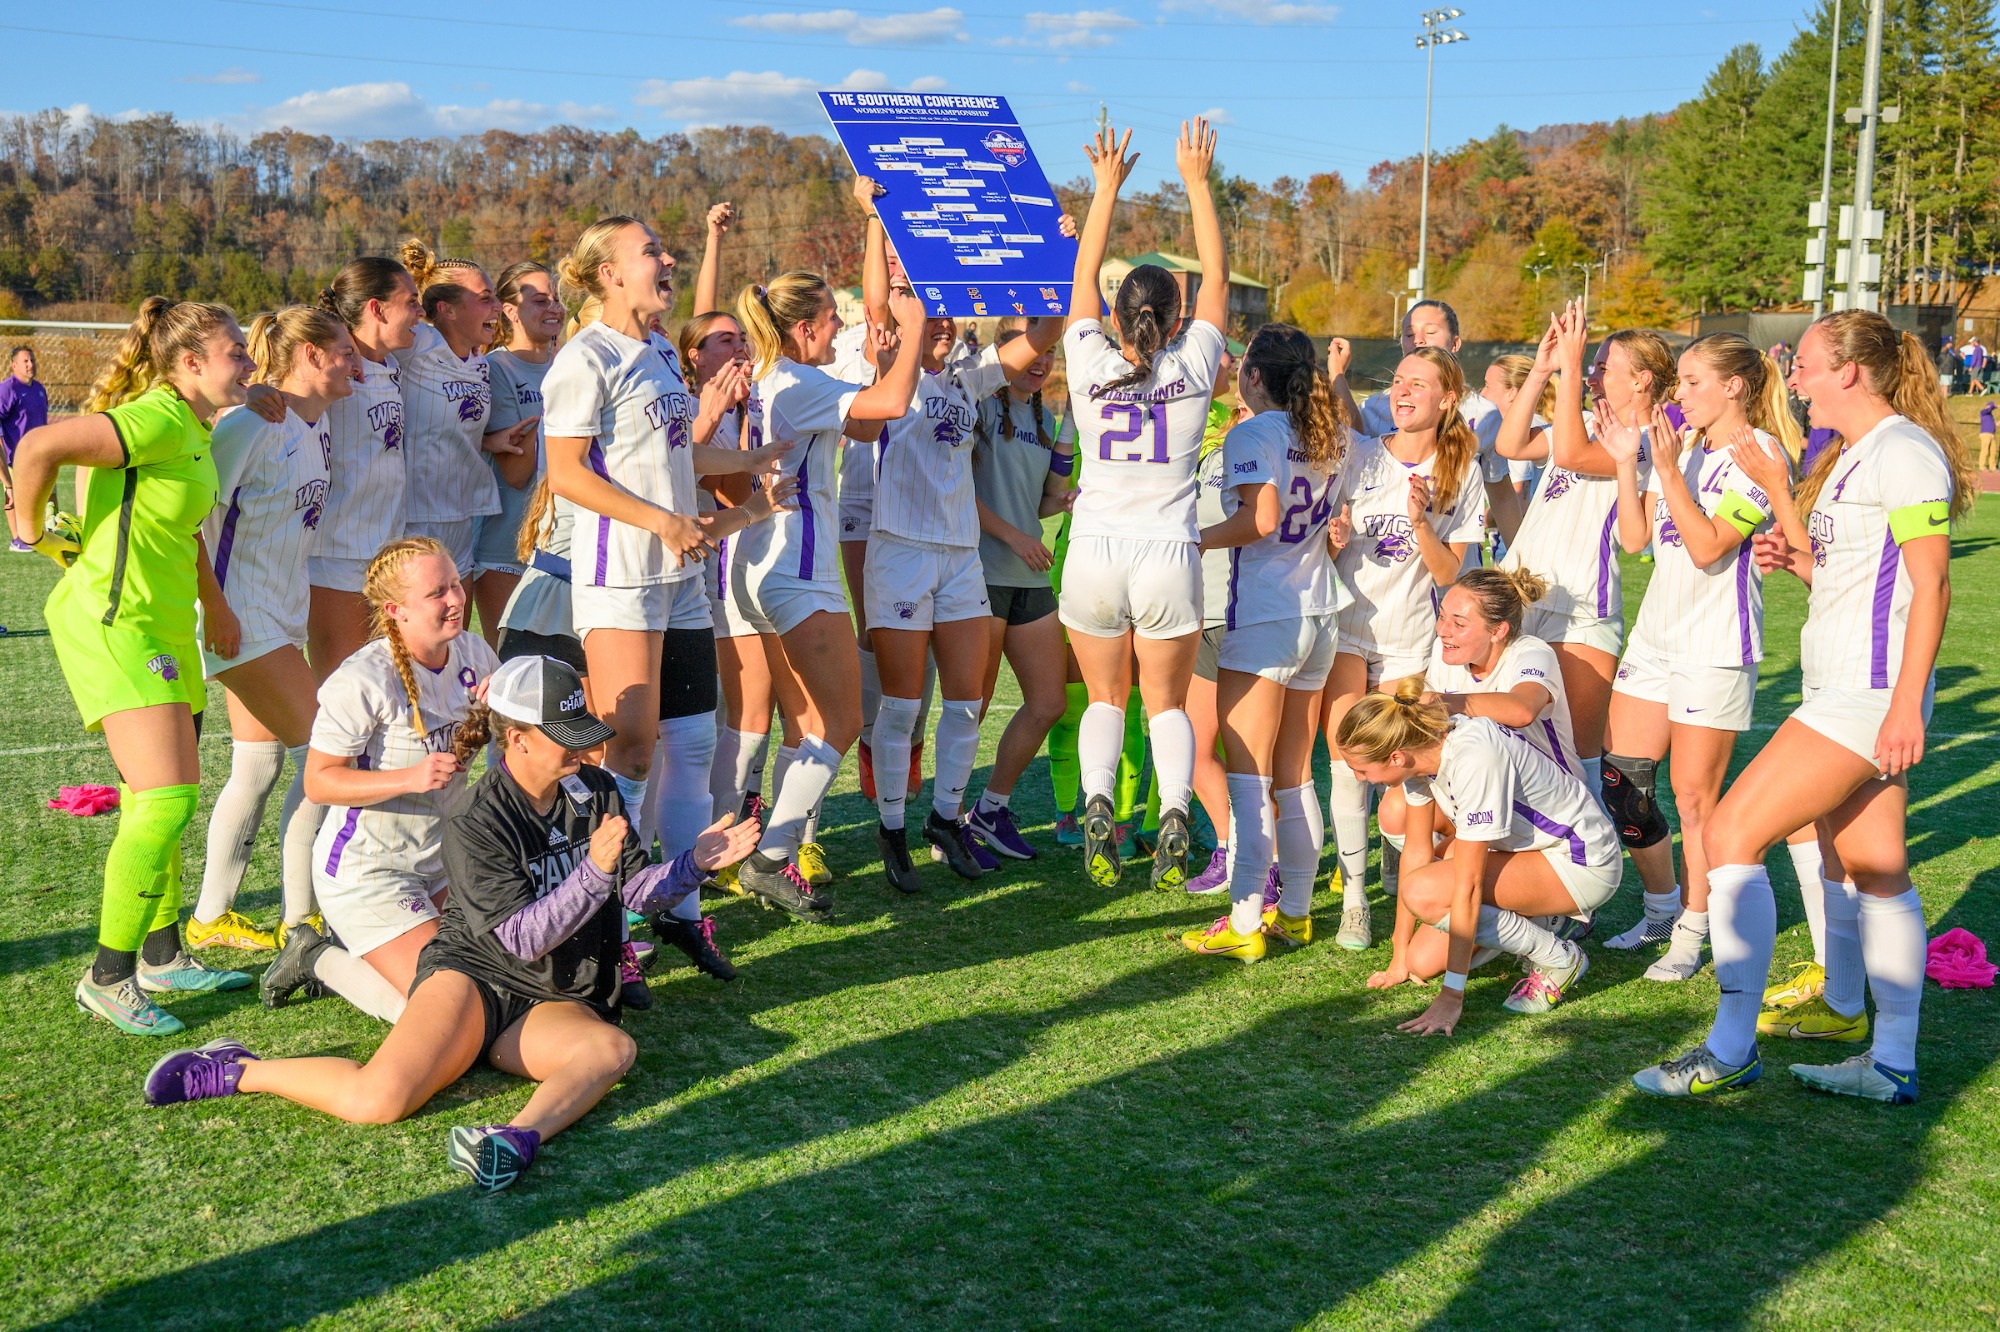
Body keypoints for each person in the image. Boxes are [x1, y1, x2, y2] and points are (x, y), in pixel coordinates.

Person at [141, 654, 763, 1195]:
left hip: (551, 993)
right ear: (516, 738)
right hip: (477, 977)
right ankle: (239, 1068)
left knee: (611, 1049)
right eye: (566, 735)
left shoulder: (594, 789)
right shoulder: (475, 818)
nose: (587, 748)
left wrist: (692, 866)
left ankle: (512, 1139)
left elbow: (635, 889)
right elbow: (522, 938)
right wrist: (595, 875)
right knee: (377, 1101)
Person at [1634, 309, 1971, 1103]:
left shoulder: (1903, 451)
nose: (1798, 380)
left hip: (1867, 693)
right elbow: (1864, 587)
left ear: (1850, 372)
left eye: (1809, 365)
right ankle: (1888, 1064)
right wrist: (1801, 563)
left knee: (1728, 832)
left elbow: (1932, 585)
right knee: (1874, 868)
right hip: (1847, 683)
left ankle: (1727, 1048)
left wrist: (1905, 709)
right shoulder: (1857, 455)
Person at [14, 296, 261, 1037]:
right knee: (165, 799)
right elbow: (37, 449)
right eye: (236, 353)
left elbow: (177, 527)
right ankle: (108, 976)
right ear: (189, 364)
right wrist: (27, 528)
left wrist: (212, 605)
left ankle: (161, 954)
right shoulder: (155, 416)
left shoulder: (191, 425)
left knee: (159, 793)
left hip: (165, 626)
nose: (248, 363)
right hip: (116, 626)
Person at [541, 217, 790, 928]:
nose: (668, 258)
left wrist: (748, 462)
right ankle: (607, 925)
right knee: (633, 751)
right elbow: (565, 475)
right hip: (620, 575)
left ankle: (679, 915)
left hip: (680, 574)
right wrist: (661, 521)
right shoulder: (583, 359)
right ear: (609, 273)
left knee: (692, 741)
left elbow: (677, 455)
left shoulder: (654, 349)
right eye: (651, 251)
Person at [852, 180, 1065, 890]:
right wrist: (875, 218)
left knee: (968, 700)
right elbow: (882, 303)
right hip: (901, 551)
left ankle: (946, 819)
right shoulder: (888, 364)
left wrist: (1056, 257)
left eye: (945, 316)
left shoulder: (970, 380)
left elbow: (1042, 336)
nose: (937, 323)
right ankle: (890, 828)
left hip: (959, 558)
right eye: (927, 313)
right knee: (905, 704)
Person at [1595, 334, 1801, 980]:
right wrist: (1632, 464)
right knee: (1621, 779)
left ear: (1733, 386)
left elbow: (1711, 545)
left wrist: (1672, 471)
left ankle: (1692, 928)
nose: (1677, 394)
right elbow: (1636, 540)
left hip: (1715, 645)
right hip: (1656, 636)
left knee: (1693, 799)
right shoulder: (1679, 445)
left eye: (1689, 382)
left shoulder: (1759, 452)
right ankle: (1659, 908)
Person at [1061, 118, 1229, 892]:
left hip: (1095, 547)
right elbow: (1220, 280)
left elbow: (1083, 275)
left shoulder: (1088, 356)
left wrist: (1105, 189)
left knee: (1104, 696)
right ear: (1178, 306)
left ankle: (1098, 802)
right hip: (1169, 551)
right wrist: (1196, 182)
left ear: (1117, 314)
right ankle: (1171, 811)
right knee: (1165, 705)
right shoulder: (1195, 362)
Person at [728, 262, 927, 916]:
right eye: (831, 318)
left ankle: (773, 853)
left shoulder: (766, 377)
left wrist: (876, 369)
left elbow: (865, 424)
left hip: (758, 565)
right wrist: (916, 323)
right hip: (798, 571)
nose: (839, 325)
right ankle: (772, 855)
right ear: (804, 328)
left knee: (806, 725)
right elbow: (893, 406)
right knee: (839, 722)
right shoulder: (798, 380)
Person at [267, 536, 501, 1022]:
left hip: (441, 861)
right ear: (396, 609)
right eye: (438, 593)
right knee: (445, 1015)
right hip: (368, 874)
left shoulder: (475, 653)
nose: (457, 600)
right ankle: (316, 956)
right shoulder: (363, 679)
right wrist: (410, 777)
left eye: (456, 584)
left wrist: (497, 711)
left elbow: (500, 740)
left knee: (502, 983)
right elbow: (319, 782)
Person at [186, 308, 359, 955]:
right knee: (330, 755)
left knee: (257, 766)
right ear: (311, 354)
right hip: (242, 623)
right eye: (346, 352)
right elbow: (189, 522)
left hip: (275, 617)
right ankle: (301, 919)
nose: (359, 364)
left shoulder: (313, 425)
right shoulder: (250, 424)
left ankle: (209, 917)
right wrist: (218, 610)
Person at [1180, 323, 1352, 962]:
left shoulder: (1255, 431)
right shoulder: (1323, 430)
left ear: (1254, 375)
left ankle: (1247, 918)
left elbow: (1262, 519)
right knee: (1296, 776)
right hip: (1319, 613)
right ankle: (1299, 913)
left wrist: (1191, 540)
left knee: (1250, 779)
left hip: (1266, 615)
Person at [1322, 346, 1487, 938]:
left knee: (1395, 766)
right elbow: (1324, 540)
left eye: (1419, 383)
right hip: (1342, 628)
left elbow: (1450, 577)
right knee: (1346, 764)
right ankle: (1354, 901)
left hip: (1408, 641)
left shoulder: (1460, 473)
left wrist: (1420, 521)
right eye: (1398, 382)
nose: (1402, 391)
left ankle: (1399, 857)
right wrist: (1335, 537)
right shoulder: (1359, 455)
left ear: (1447, 399)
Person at [1343, 682, 1618, 1032]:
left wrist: (1451, 995)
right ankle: (1543, 920)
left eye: (1361, 770)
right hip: (1531, 853)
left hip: (1583, 864)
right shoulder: (1418, 754)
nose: (1358, 778)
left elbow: (1469, 884)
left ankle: (1559, 957)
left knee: (1425, 891)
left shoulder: (1473, 756)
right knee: (1420, 960)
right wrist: (1399, 955)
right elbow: (1416, 853)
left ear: (1395, 757)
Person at [1494, 301, 1675, 818]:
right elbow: (1511, 441)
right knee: (1522, 744)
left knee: (1579, 758)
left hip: (1580, 613)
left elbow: (1571, 454)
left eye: (1602, 367)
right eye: (1590, 365)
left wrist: (1570, 370)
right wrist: (1546, 369)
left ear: (1641, 381)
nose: (1593, 375)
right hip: (1524, 598)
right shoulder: (1588, 421)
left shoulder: (1648, 441)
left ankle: (1587, 884)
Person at [1373, 565, 1583, 972]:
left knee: (1444, 886)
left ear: (1499, 630)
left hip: (1543, 820)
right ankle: (1505, 905)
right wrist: (1399, 952)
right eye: (1442, 616)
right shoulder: (1447, 655)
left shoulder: (1532, 652)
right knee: (1418, 960)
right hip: (1484, 804)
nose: (1442, 630)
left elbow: (1521, 709)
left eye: (1458, 622)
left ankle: (1549, 920)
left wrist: (1440, 702)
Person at [966, 327, 1079, 860]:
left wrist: (1068, 500)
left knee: (1048, 701)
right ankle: (948, 822)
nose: (1043, 361)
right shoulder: (980, 406)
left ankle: (989, 810)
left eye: (1050, 353)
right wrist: (1014, 535)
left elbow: (1038, 504)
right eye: (1036, 350)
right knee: (976, 705)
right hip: (983, 574)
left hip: (1030, 577)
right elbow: (959, 493)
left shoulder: (1047, 418)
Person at [308, 256, 422, 678]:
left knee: (383, 689)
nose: (420, 312)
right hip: (337, 552)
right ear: (376, 308)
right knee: (343, 690)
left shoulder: (389, 364)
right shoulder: (329, 365)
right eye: (411, 301)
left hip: (384, 551)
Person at [397, 239, 520, 578]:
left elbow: (441, 418)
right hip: (415, 517)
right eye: (485, 299)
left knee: (456, 627)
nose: (497, 306)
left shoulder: (477, 361)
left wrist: (488, 441)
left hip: (463, 513)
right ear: (446, 310)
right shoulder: (417, 344)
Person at [1357, 300, 1522, 547]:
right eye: (1409, 334)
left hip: (1454, 563)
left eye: (1430, 332)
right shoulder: (1374, 409)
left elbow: (1502, 495)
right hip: (1387, 557)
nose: (1418, 340)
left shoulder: (1484, 414)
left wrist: (1520, 558)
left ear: (1455, 343)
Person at [471, 261, 561, 646]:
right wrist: (562, 417)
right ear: (510, 311)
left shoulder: (569, 365)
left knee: (565, 680)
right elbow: (516, 473)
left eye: (556, 299)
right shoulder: (496, 369)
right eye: (540, 300)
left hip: (563, 544)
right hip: (507, 549)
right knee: (511, 675)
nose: (554, 308)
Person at [1482, 352, 1551, 502]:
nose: (1482, 393)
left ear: (1511, 393)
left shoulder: (1517, 432)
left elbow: (1518, 501)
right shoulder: (1538, 423)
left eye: (1487, 386)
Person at [0, 344, 48, 507]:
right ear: (14, 365)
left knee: (50, 505)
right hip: (18, 462)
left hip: (42, 459)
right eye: (25, 361)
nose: (31, 364)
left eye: (32, 360)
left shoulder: (40, 389)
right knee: (22, 509)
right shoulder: (7, 389)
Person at [1979, 401, 1995, 473]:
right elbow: (1989, 409)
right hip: (1985, 434)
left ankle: (1992, 467)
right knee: (1984, 450)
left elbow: (1991, 423)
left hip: (1992, 434)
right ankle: (1982, 466)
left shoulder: (1991, 416)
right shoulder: (1983, 412)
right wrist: (1995, 406)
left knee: (1993, 451)